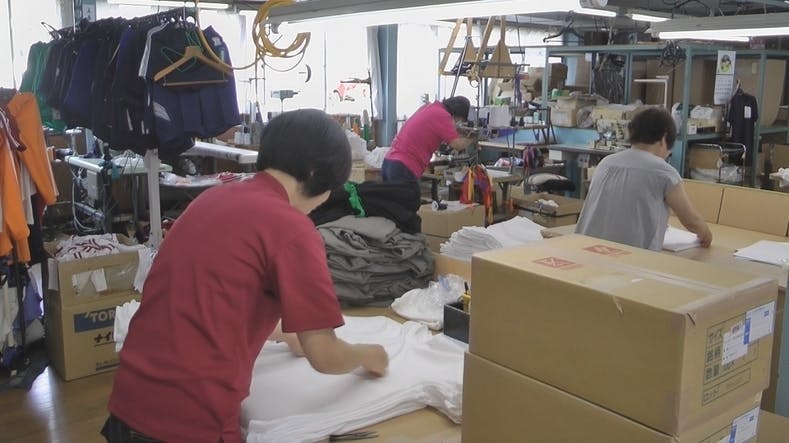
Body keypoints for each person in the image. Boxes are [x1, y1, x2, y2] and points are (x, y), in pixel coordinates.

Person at [102, 109, 389, 443]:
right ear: (316, 174)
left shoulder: (213, 198)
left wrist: (287, 336)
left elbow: (215, 297)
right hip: (188, 422)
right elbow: (325, 356)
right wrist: (368, 355)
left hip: (128, 406)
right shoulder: (292, 228)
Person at [575, 107, 712, 251]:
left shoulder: (606, 163)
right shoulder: (664, 172)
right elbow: (691, 221)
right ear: (664, 139)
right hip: (628, 257)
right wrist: (706, 234)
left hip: (586, 250)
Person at [382, 96, 475, 182]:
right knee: (409, 194)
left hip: (390, 162)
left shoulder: (429, 108)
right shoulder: (443, 115)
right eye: (459, 120)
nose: (457, 123)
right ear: (458, 114)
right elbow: (458, 145)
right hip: (403, 167)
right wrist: (474, 137)